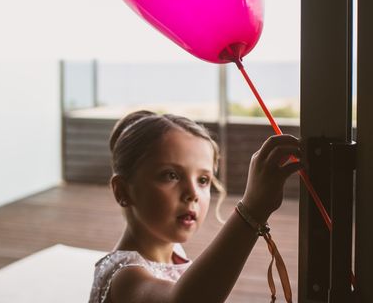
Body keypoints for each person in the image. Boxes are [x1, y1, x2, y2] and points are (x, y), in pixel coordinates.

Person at [89, 110, 301, 303]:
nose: (192, 194)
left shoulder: (174, 254)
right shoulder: (123, 277)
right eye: (171, 175)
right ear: (123, 191)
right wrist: (251, 211)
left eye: (203, 180)